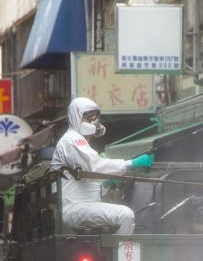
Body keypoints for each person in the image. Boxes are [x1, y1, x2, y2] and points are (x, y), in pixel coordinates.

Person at [50, 97, 153, 234]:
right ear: (76, 117)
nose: (93, 122)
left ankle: (112, 250)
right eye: (88, 118)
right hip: (74, 208)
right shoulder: (72, 140)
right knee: (125, 215)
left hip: (82, 207)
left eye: (95, 118)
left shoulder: (79, 142)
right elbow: (95, 166)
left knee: (120, 215)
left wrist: (104, 185)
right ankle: (118, 252)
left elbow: (86, 182)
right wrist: (130, 163)